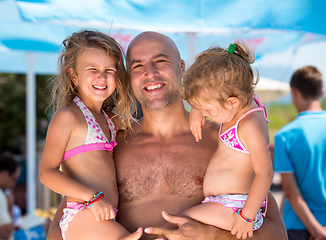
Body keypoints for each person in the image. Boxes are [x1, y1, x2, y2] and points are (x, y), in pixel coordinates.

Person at [47, 31, 287, 240]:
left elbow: (275, 232)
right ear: (129, 79)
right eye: (137, 66)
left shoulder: (223, 141)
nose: (150, 73)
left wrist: (213, 236)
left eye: (160, 60)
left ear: (181, 67)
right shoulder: (110, 144)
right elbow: (62, 228)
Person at [39, 29, 142, 240]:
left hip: (101, 217)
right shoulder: (68, 116)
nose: (102, 76)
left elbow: (147, 124)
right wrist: (92, 198)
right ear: (73, 75)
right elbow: (46, 172)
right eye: (92, 69)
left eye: (110, 70)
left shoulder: (110, 119)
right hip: (84, 213)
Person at [173, 43, 273, 239]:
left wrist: (246, 217)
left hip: (236, 208)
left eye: (208, 111)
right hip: (224, 203)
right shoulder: (239, 105)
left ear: (232, 102)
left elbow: (265, 173)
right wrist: (196, 110)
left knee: (179, 224)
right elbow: (209, 90)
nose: (206, 115)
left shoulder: (249, 125)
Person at [273, 66, 326, 240]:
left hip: (298, 226)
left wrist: (317, 231)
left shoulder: (285, 136)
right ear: (321, 92)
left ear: (293, 92)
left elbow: (290, 190)